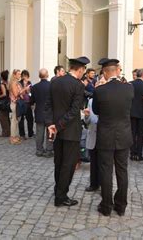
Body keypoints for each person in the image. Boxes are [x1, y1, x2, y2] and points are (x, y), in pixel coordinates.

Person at [45, 56, 89, 207]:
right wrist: (57, 126)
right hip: (70, 131)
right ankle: (61, 196)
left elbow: (48, 105)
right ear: (81, 69)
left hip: (57, 130)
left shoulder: (55, 81)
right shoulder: (78, 85)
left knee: (59, 162)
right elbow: (74, 111)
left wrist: (52, 124)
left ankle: (58, 190)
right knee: (68, 165)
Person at [92, 58, 134, 216]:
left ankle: (106, 206)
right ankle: (121, 206)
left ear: (104, 72)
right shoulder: (129, 89)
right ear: (117, 70)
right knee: (122, 171)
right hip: (124, 134)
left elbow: (96, 110)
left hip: (106, 135)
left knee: (106, 171)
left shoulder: (99, 90)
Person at [84, 72, 107, 192]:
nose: (100, 85)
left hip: (104, 134)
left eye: (103, 83)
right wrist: (86, 116)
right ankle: (93, 183)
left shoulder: (109, 100)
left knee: (103, 162)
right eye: (99, 84)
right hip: (93, 132)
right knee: (93, 161)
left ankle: (104, 184)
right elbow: (87, 121)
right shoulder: (91, 101)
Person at [130, 68, 143, 161]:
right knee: (141, 134)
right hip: (142, 113)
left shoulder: (131, 84)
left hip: (132, 113)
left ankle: (132, 153)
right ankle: (139, 154)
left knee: (132, 134)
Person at [32, 68, 53, 157]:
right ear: (47, 75)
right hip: (49, 113)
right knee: (50, 132)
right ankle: (49, 150)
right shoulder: (51, 85)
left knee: (39, 133)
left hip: (39, 112)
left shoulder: (35, 87)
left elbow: (32, 100)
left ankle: (39, 150)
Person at [9, 70, 30, 145]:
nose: (20, 75)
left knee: (17, 120)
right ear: (14, 75)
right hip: (15, 103)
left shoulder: (17, 82)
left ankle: (16, 136)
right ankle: (12, 137)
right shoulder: (13, 83)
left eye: (20, 74)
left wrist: (25, 89)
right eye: (18, 74)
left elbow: (22, 93)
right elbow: (15, 94)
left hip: (18, 103)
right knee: (14, 120)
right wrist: (24, 89)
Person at [18, 70, 34, 139]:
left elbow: (31, 93)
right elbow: (19, 93)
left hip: (28, 102)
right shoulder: (19, 83)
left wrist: (28, 91)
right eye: (24, 76)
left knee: (30, 119)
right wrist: (25, 89)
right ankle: (22, 134)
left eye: (26, 76)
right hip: (21, 102)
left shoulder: (29, 83)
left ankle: (31, 133)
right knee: (21, 119)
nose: (25, 78)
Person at [0, 70, 10, 137]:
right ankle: (8, 131)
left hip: (3, 102)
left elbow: (4, 94)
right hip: (8, 101)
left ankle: (5, 132)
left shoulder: (2, 84)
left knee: (3, 118)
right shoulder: (8, 83)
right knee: (7, 117)